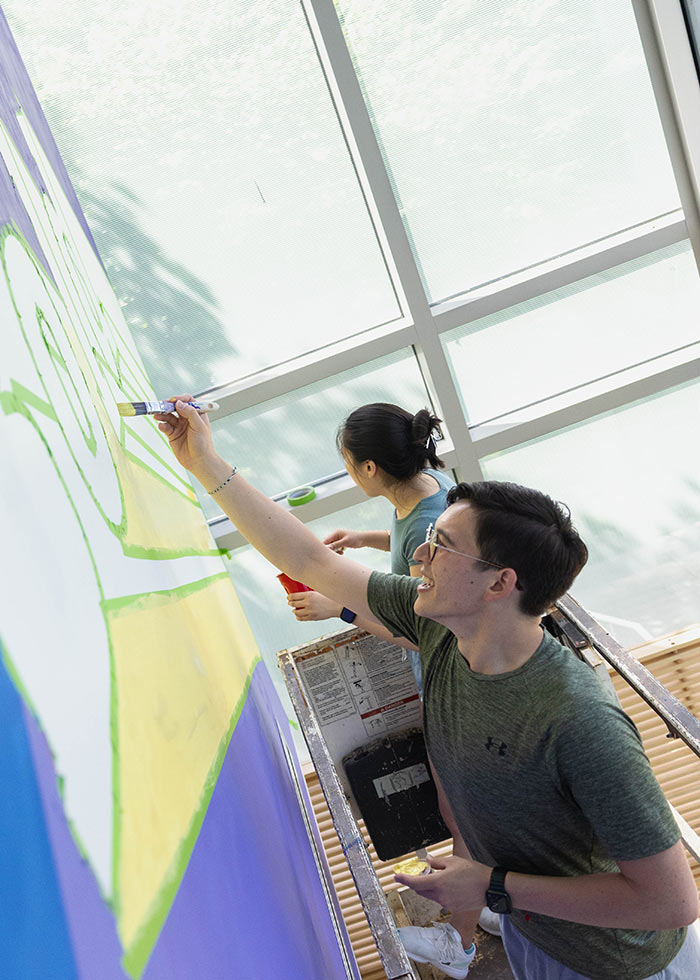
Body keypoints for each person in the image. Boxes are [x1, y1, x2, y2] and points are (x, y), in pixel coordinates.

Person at [156, 397, 700, 980]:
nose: (418, 553)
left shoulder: (577, 720)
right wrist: (205, 463)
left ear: (500, 582)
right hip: (534, 933)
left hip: (616, 965)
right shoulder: (437, 625)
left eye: (441, 545)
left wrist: (492, 884)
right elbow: (310, 558)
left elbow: (672, 902)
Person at [286, 401, 453, 693]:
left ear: (369, 468)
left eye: (349, 464)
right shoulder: (430, 482)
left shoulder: (424, 527)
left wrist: (341, 609)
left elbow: (420, 633)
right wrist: (361, 538)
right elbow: (412, 546)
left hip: (446, 680)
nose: (350, 472)